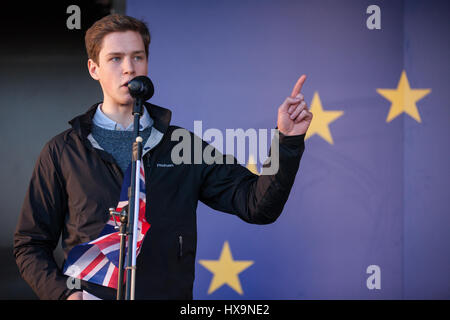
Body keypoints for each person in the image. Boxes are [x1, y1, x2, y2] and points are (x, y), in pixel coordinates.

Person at [13, 14, 313, 300]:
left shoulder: (183, 146)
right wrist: (65, 294)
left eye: (137, 57)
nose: (129, 68)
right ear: (94, 69)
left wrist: (287, 140)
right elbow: (30, 244)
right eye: (115, 59)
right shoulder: (63, 150)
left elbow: (257, 205)